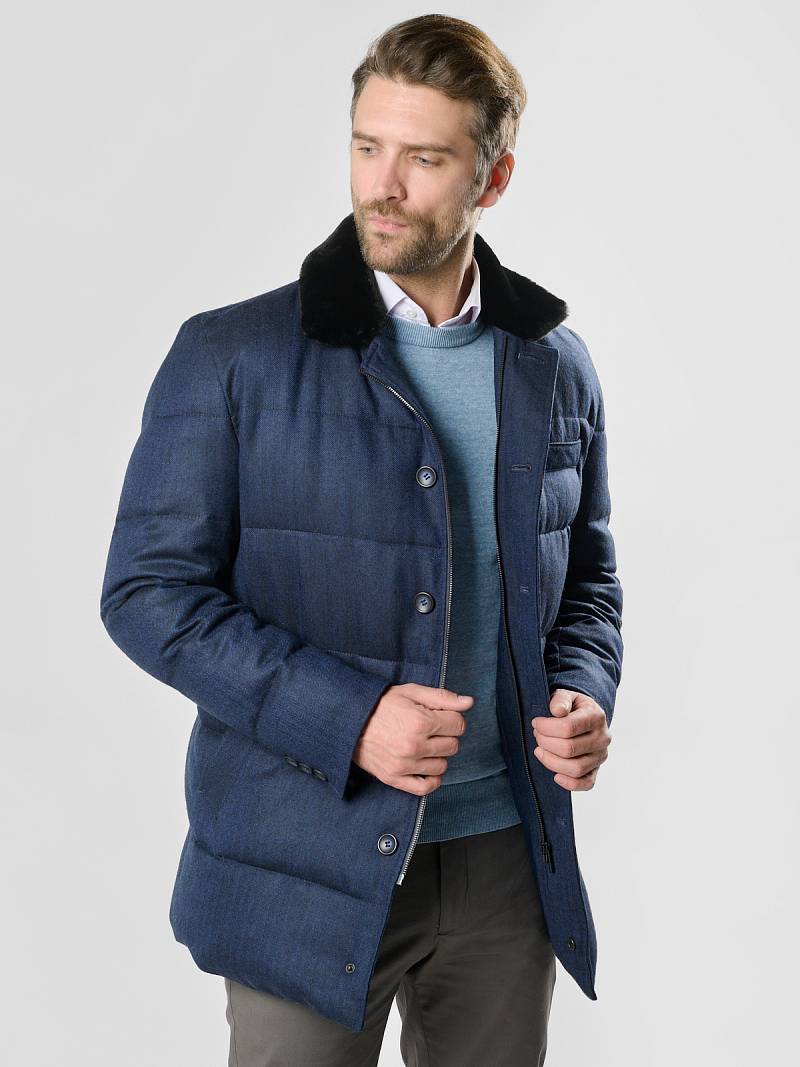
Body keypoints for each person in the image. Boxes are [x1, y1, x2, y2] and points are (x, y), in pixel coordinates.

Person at [100, 13, 623, 1066]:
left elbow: (589, 579)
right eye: (365, 145)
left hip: (505, 865)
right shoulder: (232, 356)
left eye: (423, 158)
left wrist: (583, 688)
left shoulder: (553, 363)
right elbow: (148, 595)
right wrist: (350, 719)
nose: (382, 185)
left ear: (493, 177)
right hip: (303, 861)